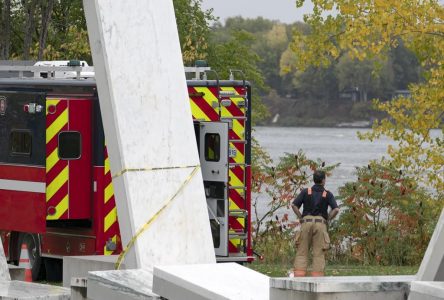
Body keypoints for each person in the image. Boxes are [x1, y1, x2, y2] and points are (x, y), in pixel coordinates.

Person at [291, 170, 339, 277]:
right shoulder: (327, 194)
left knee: (302, 251)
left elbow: (294, 205)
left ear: (313, 179)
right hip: (320, 223)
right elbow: (336, 209)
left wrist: (301, 218)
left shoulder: (305, 191)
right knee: (318, 253)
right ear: (323, 180)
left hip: (306, 222)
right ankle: (317, 278)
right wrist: (328, 219)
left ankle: (299, 275)